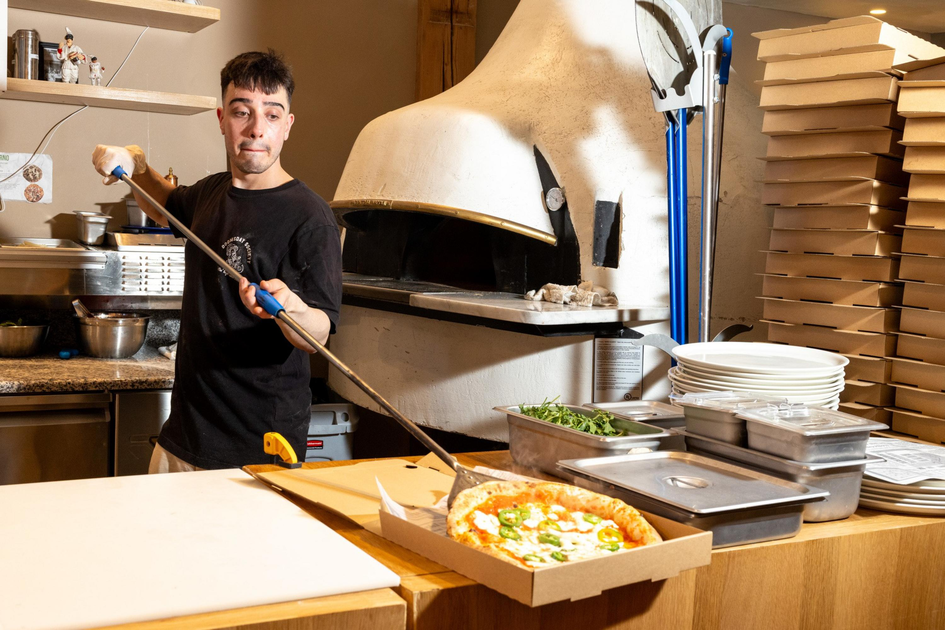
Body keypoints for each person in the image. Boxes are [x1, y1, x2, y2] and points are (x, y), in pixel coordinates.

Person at [91, 50, 342, 472]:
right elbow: (161, 204)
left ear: (288, 127)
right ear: (222, 119)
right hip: (184, 434)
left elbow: (320, 332)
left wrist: (294, 311)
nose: (256, 128)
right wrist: (135, 162)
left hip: (257, 448)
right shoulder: (211, 193)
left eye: (272, 115)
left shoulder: (310, 217)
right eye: (242, 112)